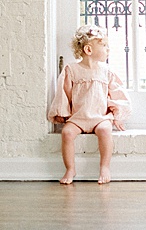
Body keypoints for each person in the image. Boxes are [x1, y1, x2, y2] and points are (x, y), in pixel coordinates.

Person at [47, 24, 131, 184]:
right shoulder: (71, 70)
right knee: (67, 133)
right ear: (88, 50)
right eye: (104, 45)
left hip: (100, 118)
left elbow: (116, 94)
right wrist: (62, 113)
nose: (108, 49)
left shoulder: (106, 71)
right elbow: (64, 93)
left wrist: (116, 114)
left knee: (106, 130)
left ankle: (105, 167)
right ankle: (70, 169)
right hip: (78, 118)